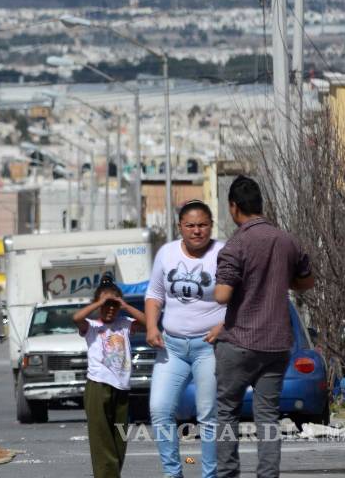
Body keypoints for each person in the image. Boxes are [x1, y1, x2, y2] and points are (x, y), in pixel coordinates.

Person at [213, 176, 315, 478]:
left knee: (226, 412)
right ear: (261, 205)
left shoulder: (236, 245)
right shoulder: (287, 240)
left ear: (234, 208)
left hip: (240, 342)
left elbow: (222, 295)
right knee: (268, 417)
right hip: (277, 343)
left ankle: (228, 473)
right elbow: (307, 282)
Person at [146, 199, 226, 478]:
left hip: (210, 348)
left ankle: (210, 474)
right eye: (190, 225)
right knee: (159, 409)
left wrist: (224, 326)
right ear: (180, 226)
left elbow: (244, 297)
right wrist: (152, 327)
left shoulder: (223, 253)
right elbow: (154, 294)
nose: (196, 231)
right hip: (172, 347)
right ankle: (172, 473)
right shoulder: (166, 253)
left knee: (208, 415)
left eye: (202, 225)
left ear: (211, 226)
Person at [73, 274, 148, 478]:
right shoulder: (92, 326)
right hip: (98, 385)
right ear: (98, 305)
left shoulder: (124, 323)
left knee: (118, 439)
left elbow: (149, 322)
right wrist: (100, 302)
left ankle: (113, 474)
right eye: (107, 305)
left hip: (121, 386)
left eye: (114, 305)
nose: (110, 309)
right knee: (101, 438)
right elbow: (76, 318)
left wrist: (123, 304)